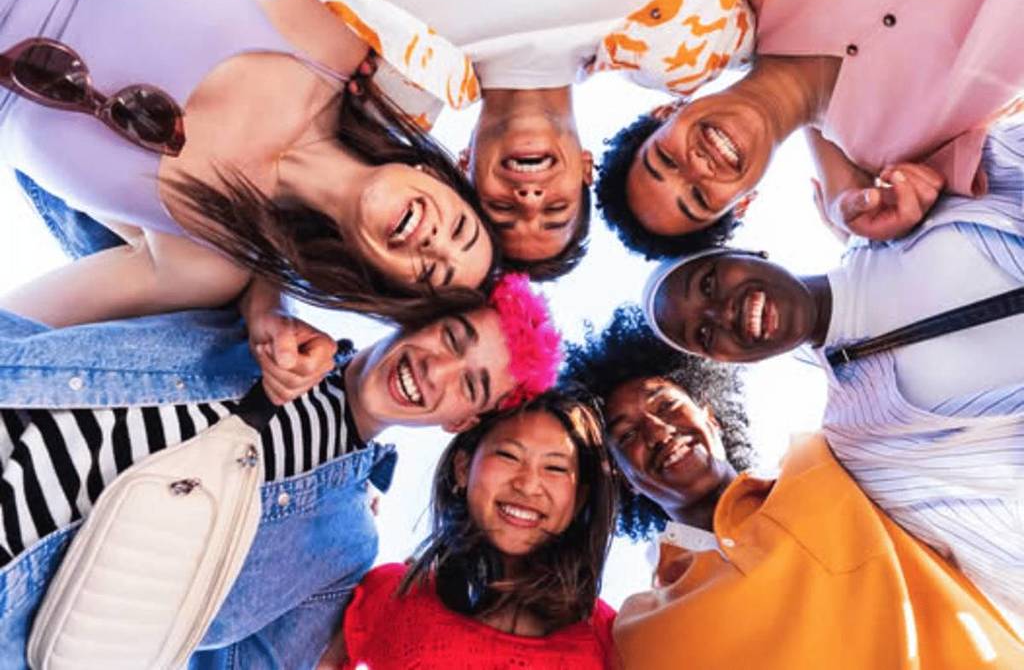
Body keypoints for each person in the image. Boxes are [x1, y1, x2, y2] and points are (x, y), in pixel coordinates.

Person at [0, 272, 562, 670]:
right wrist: (266, 299)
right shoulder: (249, 306)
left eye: (470, 383)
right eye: (450, 337)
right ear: (419, 314)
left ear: (462, 420)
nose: (435, 370)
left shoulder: (344, 546)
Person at [642, 123, 1024, 621]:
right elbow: (997, 547)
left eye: (710, 283)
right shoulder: (864, 444)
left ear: (746, 252)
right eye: (705, 336)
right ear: (726, 362)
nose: (722, 313)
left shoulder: (913, 201)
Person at [0, 0, 498, 331]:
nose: (436, 244)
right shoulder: (334, 37)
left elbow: (15, 333)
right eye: (460, 230)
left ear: (385, 284)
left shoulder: (206, 260)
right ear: (433, 174)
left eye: (433, 273)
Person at [563, 305, 1024, 668]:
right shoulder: (642, 629)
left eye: (665, 404)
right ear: (623, 479)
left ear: (711, 416)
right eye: (625, 436)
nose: (657, 430)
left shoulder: (831, 459)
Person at [304, 0, 754, 278]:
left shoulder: (397, 81)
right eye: (556, 208)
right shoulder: (682, 50)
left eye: (502, 208)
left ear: (464, 166)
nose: (529, 199)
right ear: (586, 167)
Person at [597, 0, 1024, 259]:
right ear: (743, 202)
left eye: (666, 160)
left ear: (666, 111)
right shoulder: (906, 159)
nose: (697, 168)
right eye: (699, 198)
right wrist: (849, 217)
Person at [322, 387, 617, 669]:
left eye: (555, 468)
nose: (527, 485)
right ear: (462, 468)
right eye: (508, 456)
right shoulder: (390, 592)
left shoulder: (610, 637)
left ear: (579, 499)